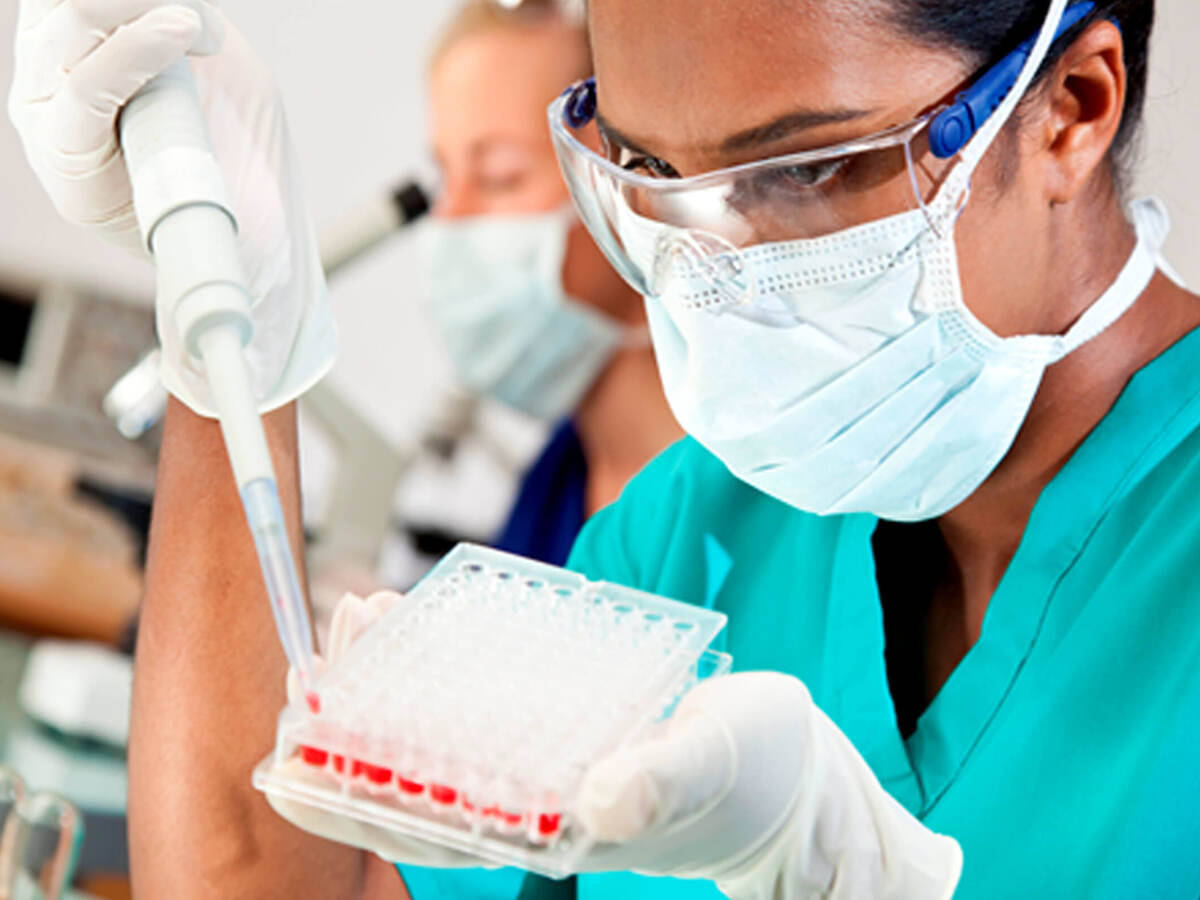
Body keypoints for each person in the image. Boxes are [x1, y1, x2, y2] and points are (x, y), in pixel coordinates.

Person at [10, 0, 1200, 899]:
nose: (726, 274)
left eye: (805, 170)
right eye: (651, 176)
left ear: (1071, 110)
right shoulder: (698, 533)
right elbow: (257, 882)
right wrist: (243, 330)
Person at [421, 0, 681, 569]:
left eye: (500, 177)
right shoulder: (556, 487)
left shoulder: (750, 504)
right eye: (444, 176)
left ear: (640, 184)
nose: (449, 217)